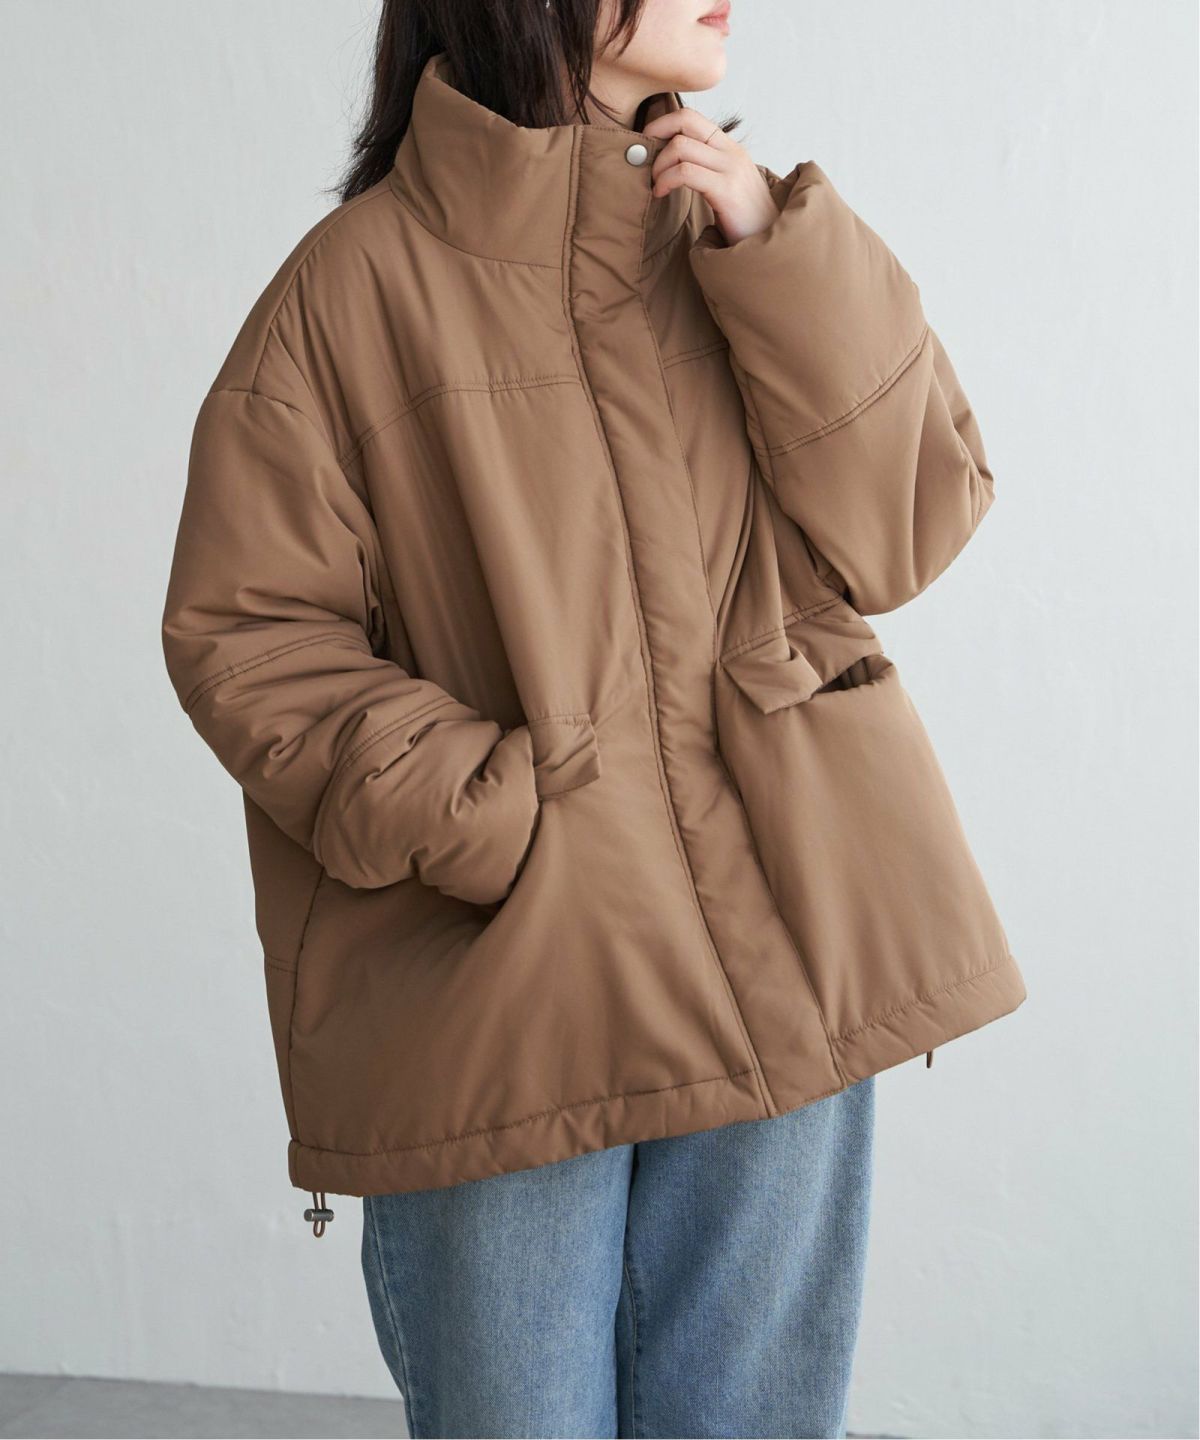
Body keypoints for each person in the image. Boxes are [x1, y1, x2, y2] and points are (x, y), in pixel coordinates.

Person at [161, 0, 1026, 1434]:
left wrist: (783, 251)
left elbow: (912, 524)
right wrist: (491, 817)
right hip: (512, 985)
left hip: (780, 947)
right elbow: (249, 635)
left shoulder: (738, 237)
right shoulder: (348, 294)